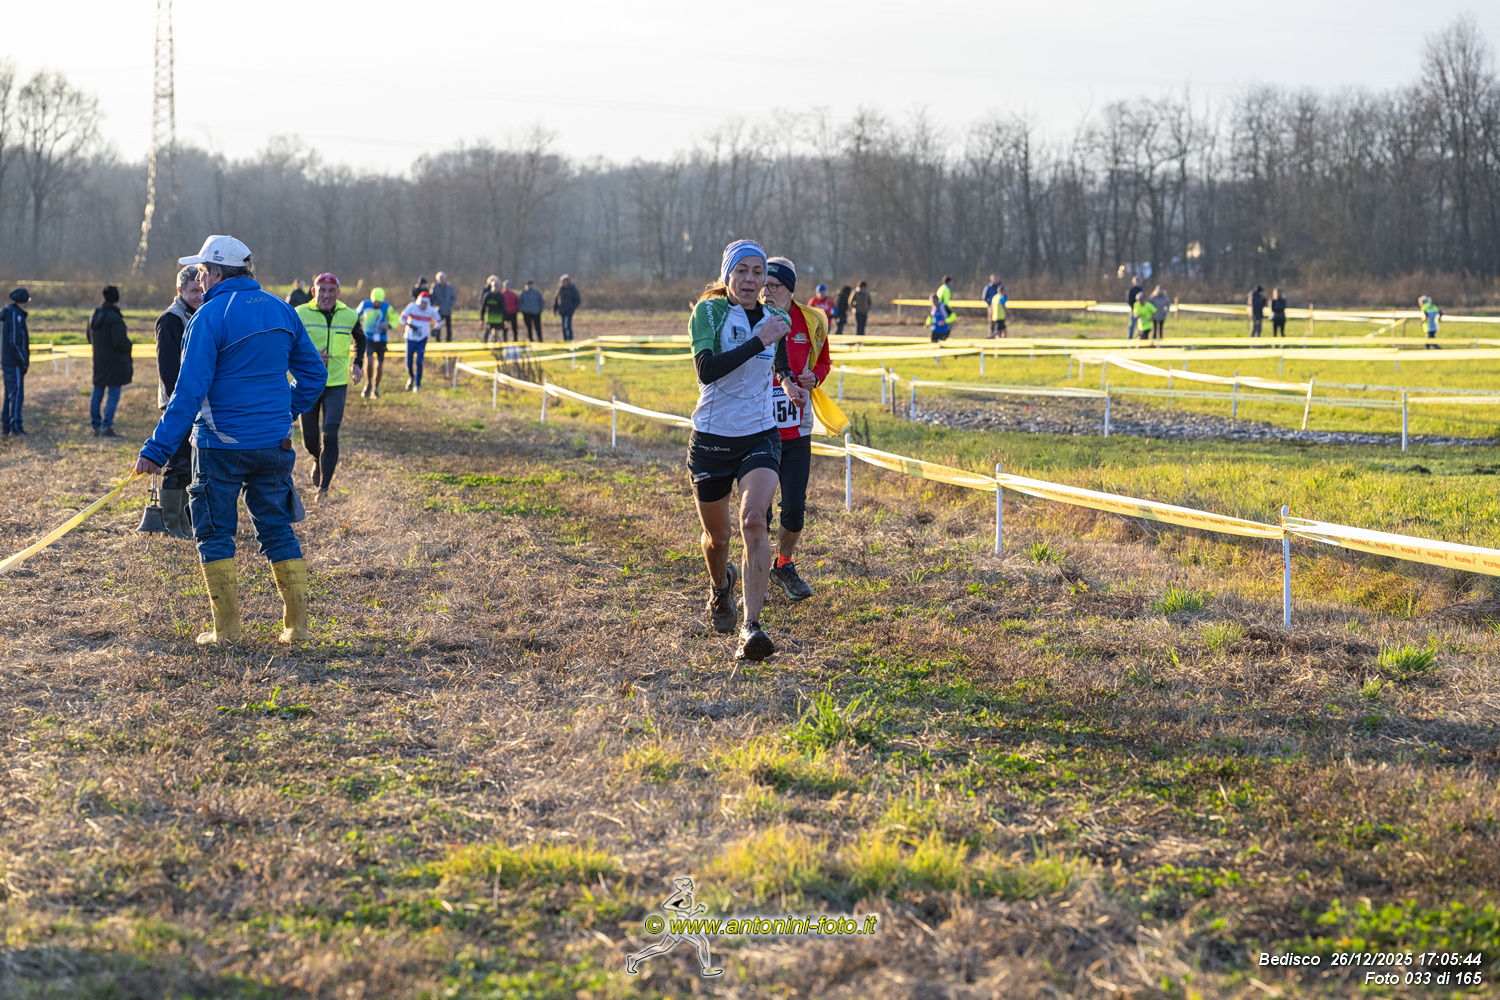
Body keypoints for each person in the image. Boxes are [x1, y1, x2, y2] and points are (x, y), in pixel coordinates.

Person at [133, 234, 327, 646]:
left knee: (214, 533)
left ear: (218, 273)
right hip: (274, 444)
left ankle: (227, 631)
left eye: (203, 271)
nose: (199, 278)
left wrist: (156, 450)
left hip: (219, 447)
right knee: (277, 530)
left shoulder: (207, 316)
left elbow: (188, 393)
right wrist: (285, 413)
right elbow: (315, 376)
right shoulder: (281, 309)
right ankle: (297, 629)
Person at [688, 239, 805, 662]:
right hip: (712, 437)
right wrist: (758, 340)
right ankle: (721, 588)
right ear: (728, 275)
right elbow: (707, 370)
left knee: (754, 520)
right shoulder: (710, 312)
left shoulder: (777, 317)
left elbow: (779, 359)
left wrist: (789, 382)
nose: (751, 279)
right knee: (717, 538)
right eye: (742, 271)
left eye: (758, 272)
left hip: (759, 434)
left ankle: (751, 627)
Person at [760, 257, 830, 602]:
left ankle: (783, 565)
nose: (765, 292)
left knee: (794, 508)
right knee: (758, 512)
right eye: (763, 285)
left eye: (773, 286)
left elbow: (824, 361)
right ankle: (755, 577)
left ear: (789, 289)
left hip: (797, 430)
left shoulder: (812, 321)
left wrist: (815, 377)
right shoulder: (752, 317)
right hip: (758, 430)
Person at [294, 273, 366, 502]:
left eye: (331, 291)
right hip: (308, 384)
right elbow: (288, 343)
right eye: (322, 290)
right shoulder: (299, 313)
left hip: (336, 384)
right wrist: (310, 356)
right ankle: (317, 459)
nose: (326, 295)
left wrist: (357, 364)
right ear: (313, 291)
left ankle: (323, 488)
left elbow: (361, 339)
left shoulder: (350, 315)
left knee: (331, 435)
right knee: (310, 440)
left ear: (338, 293)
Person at [152, 266, 204, 538]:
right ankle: (172, 525)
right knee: (178, 463)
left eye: (201, 290)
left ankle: (185, 523)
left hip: (195, 403)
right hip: (179, 404)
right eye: (193, 291)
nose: (199, 296)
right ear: (180, 290)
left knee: (191, 464)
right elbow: (168, 369)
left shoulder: (198, 315)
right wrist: (180, 404)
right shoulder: (172, 319)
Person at [87, 286, 133, 438]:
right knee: (113, 395)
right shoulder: (115, 318)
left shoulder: (94, 316)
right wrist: (129, 346)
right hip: (115, 362)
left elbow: (89, 337)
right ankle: (106, 426)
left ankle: (96, 425)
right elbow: (120, 342)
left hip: (99, 361)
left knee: (97, 392)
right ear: (117, 298)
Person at [2, 287, 32, 438]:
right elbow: (15, 341)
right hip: (13, 362)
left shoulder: (10, 314)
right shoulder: (15, 316)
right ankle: (16, 427)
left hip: (9, 361)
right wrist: (23, 360)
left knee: (10, 394)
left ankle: (6, 425)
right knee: (16, 394)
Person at [355, 287, 395, 397]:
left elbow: (396, 320)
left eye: (379, 302)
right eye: (375, 302)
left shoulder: (387, 307)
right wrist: (357, 326)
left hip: (381, 339)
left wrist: (389, 325)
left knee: (380, 365)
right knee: (369, 360)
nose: (377, 304)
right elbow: (355, 315)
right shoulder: (364, 304)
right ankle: (368, 383)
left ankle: (376, 388)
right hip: (368, 338)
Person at [400, 290, 442, 390]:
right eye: (422, 303)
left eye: (425, 303)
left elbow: (439, 321)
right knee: (409, 363)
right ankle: (411, 377)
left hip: (422, 339)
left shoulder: (431, 310)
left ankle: (417, 384)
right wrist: (410, 325)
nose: (423, 306)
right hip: (410, 338)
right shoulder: (412, 307)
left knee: (419, 362)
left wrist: (435, 329)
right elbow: (401, 319)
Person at [479, 276, 507, 344]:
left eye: (497, 286)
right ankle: (485, 344)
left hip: (498, 319)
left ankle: (495, 345)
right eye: (494, 285)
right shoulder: (487, 295)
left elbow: (503, 309)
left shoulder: (500, 296)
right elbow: (483, 308)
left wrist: (505, 320)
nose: (496, 287)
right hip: (489, 319)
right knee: (487, 333)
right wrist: (482, 319)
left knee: (496, 335)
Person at [430, 271, 457, 342]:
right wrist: (436, 305)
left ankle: (449, 339)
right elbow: (432, 298)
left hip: (447, 310)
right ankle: (437, 339)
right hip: (439, 310)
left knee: (448, 326)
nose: (442, 280)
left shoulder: (449, 288)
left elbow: (453, 297)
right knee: (438, 325)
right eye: (440, 279)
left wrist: (450, 304)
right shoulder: (434, 288)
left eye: (443, 278)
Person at [553, 274, 581, 342]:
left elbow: (578, 300)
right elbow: (556, 300)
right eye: (562, 282)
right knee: (563, 326)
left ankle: (570, 339)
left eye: (565, 281)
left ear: (568, 281)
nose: (563, 283)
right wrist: (555, 309)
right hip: (562, 310)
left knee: (567, 325)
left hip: (569, 310)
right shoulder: (560, 290)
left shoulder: (572, 289)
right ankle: (565, 340)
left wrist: (572, 307)